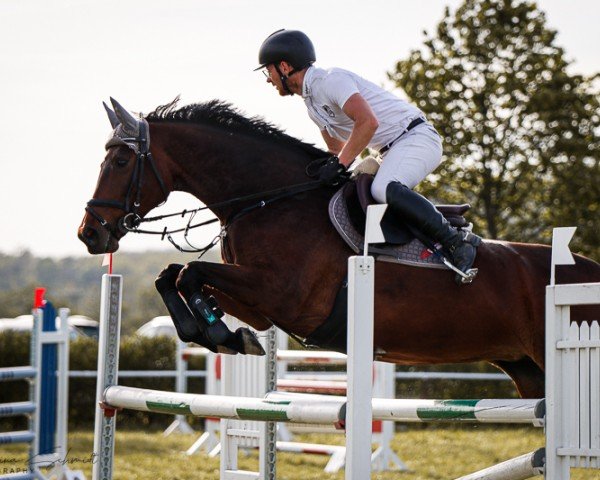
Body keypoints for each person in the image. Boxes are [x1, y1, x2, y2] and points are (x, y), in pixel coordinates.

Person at [256, 29, 481, 283]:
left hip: (416, 137)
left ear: (284, 67)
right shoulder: (312, 105)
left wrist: (341, 163)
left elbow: (368, 122)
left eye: (269, 71)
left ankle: (456, 242)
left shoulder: (331, 80)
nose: (268, 79)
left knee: (384, 188)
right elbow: (335, 150)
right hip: (392, 149)